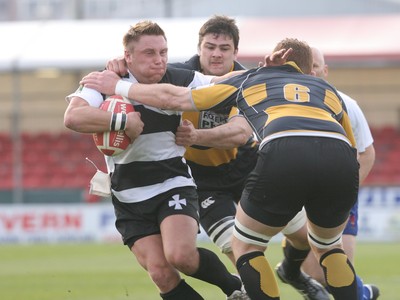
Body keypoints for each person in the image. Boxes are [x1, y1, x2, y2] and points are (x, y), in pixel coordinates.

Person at [81, 37, 362, 299]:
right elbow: (351, 146)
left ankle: (277, 277)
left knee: (247, 247)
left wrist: (118, 84)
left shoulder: (251, 78)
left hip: (279, 155)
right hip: (339, 160)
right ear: (308, 70)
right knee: (328, 247)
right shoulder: (328, 90)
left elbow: (176, 99)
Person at [64, 20, 249, 300]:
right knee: (161, 273)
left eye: (163, 52)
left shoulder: (180, 77)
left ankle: (234, 289)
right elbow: (73, 117)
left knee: (181, 256)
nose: (159, 60)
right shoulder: (105, 81)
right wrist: (121, 121)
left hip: (172, 183)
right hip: (127, 195)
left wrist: (264, 75)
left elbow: (218, 84)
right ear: (128, 56)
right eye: (149, 53)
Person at [107, 15, 258, 268]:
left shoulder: (242, 82)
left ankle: (295, 273)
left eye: (224, 48)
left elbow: (240, 133)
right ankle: (246, 289)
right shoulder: (178, 75)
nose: (216, 55)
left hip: (246, 165)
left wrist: (197, 136)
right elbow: (153, 85)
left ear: (236, 52)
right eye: (210, 47)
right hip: (203, 178)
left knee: (299, 233)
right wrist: (123, 69)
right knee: (233, 244)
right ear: (199, 48)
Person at [300, 47, 378, 299]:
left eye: (316, 65)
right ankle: (362, 292)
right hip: (302, 198)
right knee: (313, 277)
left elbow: (367, 153)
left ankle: (359, 294)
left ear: (325, 70)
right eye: (306, 65)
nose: (311, 70)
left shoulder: (347, 104)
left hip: (340, 196)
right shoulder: (288, 105)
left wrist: (346, 194)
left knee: (338, 268)